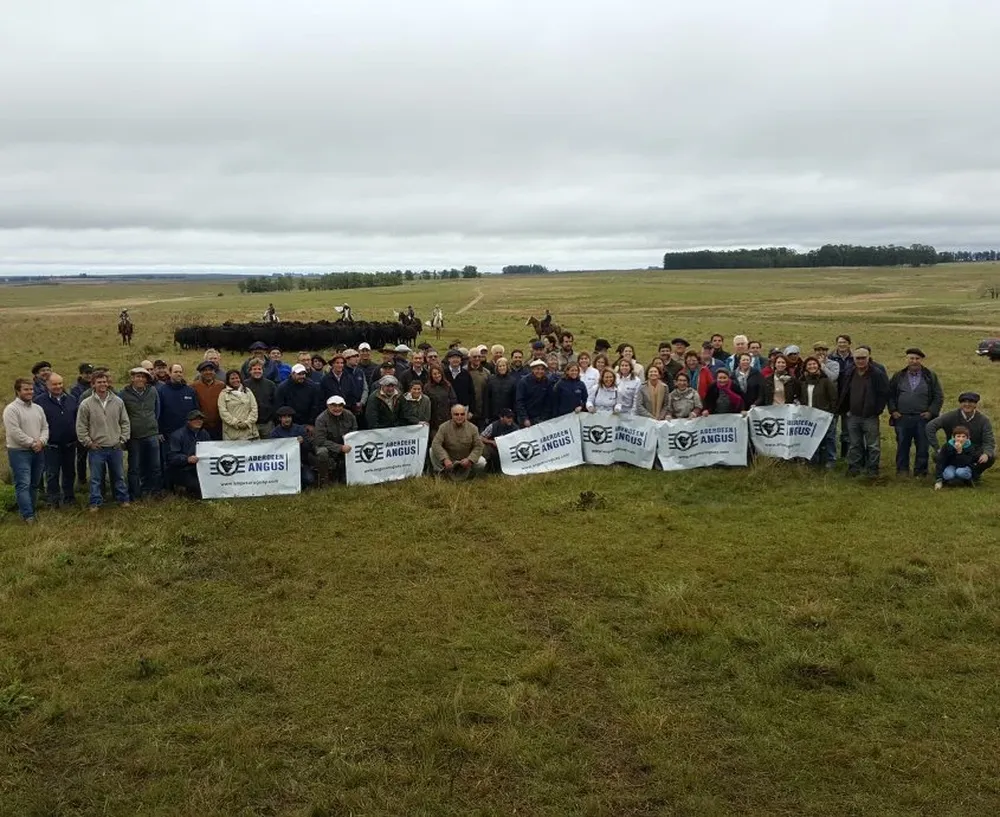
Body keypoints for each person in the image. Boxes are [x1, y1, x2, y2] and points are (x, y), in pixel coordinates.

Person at [76, 370, 131, 511]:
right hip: (97, 449)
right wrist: (89, 443)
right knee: (95, 479)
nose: (103, 384)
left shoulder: (118, 401)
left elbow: (125, 422)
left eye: (105, 381)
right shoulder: (86, 404)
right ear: (93, 384)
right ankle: (95, 502)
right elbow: (81, 426)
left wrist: (123, 439)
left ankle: (122, 499)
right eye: (99, 382)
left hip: (115, 447)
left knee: (118, 477)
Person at [887, 348, 944, 477]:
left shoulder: (930, 376)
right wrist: (893, 411)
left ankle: (921, 471)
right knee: (902, 445)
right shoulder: (898, 376)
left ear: (921, 360)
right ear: (906, 360)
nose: (914, 361)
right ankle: (902, 470)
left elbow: (938, 396)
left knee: (923, 445)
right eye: (911, 358)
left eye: (917, 359)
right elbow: (889, 394)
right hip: (902, 417)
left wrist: (931, 412)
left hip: (922, 418)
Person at [838, 347, 890, 478]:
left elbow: (884, 393)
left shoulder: (877, 374)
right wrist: (845, 409)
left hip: (870, 416)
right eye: (857, 358)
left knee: (873, 445)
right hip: (853, 415)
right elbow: (844, 391)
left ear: (869, 358)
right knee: (854, 443)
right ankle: (854, 467)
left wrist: (877, 410)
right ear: (853, 359)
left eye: (863, 358)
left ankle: (873, 469)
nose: (860, 361)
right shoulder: (849, 372)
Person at [4, 377, 48, 523]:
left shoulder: (38, 408)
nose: (30, 392)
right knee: (23, 483)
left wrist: (42, 441)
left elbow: (45, 427)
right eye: (26, 389)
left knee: (34, 484)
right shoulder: (11, 409)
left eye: (31, 389)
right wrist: (32, 443)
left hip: (38, 450)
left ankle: (31, 510)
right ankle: (27, 515)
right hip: (19, 452)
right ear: (18, 391)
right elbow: (14, 432)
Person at [926, 392, 995, 481]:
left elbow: (988, 440)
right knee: (937, 455)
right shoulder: (950, 416)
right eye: (964, 401)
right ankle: (947, 474)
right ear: (960, 404)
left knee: (990, 457)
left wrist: (986, 453)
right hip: (953, 451)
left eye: (971, 402)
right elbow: (930, 426)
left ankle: (974, 475)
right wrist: (937, 447)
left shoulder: (984, 420)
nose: (967, 404)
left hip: (973, 452)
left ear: (975, 404)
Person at [120, 365, 162, 500]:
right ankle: (135, 493)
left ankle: (154, 491)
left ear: (146, 379)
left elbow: (157, 410)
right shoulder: (124, 394)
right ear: (132, 378)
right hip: (134, 436)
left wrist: (152, 424)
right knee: (134, 468)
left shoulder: (153, 390)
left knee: (155, 466)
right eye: (137, 376)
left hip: (151, 434)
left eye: (143, 377)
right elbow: (122, 415)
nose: (140, 379)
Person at [37, 372, 78, 508]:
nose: (58, 386)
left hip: (70, 444)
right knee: (52, 474)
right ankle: (53, 500)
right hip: (51, 445)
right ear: (47, 385)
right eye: (54, 384)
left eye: (60, 383)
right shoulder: (39, 402)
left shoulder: (71, 399)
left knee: (69, 472)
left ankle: (69, 497)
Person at [157, 364, 199, 488]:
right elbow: (158, 412)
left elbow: (195, 411)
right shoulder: (161, 391)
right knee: (169, 461)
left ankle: (188, 486)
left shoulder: (190, 391)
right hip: (168, 434)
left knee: (186, 460)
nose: (178, 374)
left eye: (180, 372)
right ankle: (168, 488)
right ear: (169, 373)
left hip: (186, 434)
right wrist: (159, 431)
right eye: (175, 371)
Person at [796, 356, 839, 466]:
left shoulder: (825, 381)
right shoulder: (803, 382)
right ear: (805, 367)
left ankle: (830, 460)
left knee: (828, 438)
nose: (812, 366)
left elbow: (834, 398)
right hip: (809, 416)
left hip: (824, 415)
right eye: (809, 364)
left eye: (814, 364)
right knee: (811, 439)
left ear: (819, 366)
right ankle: (813, 460)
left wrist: (831, 413)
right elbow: (800, 398)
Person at [430, 404, 487, 478]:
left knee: (482, 462)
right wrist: (445, 459)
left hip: (466, 458)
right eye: (456, 414)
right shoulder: (443, 427)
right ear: (452, 415)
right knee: (431, 450)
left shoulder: (473, 428)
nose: (459, 417)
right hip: (449, 458)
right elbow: (436, 444)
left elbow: (479, 446)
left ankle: (471, 476)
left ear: (465, 415)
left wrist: (470, 459)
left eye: (462, 414)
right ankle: (440, 473)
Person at [312, 396, 357, 485]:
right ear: (328, 406)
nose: (337, 408)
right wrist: (340, 448)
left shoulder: (350, 415)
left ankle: (349, 475)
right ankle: (324, 479)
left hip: (344, 445)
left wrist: (347, 443)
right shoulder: (321, 419)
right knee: (322, 452)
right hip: (326, 446)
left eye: (340, 405)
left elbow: (354, 431)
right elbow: (320, 440)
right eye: (334, 406)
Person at [167, 410, 210, 498]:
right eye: (196, 419)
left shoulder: (205, 434)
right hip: (183, 469)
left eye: (201, 419)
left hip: (201, 469)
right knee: (198, 487)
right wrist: (187, 459)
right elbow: (171, 457)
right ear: (188, 421)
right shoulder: (177, 435)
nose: (199, 421)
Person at [270, 406, 315, 487]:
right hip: (282, 464)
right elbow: (273, 450)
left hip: (300, 462)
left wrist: (303, 442)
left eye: (289, 417)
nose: (287, 419)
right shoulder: (275, 433)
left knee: (309, 479)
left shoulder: (300, 429)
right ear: (280, 418)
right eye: (284, 417)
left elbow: (309, 448)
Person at [829, 334, 855, 459]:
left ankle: (845, 456)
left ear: (849, 344)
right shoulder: (831, 357)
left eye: (844, 342)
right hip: (833, 398)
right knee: (831, 429)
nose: (842, 345)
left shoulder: (854, 358)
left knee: (847, 430)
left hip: (848, 399)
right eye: (839, 342)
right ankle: (831, 455)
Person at [275, 363, 323, 430]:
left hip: (307, 423)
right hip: (289, 424)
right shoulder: (283, 388)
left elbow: (315, 405)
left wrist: (311, 423)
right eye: (299, 374)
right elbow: (279, 406)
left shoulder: (312, 386)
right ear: (292, 374)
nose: (302, 376)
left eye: (303, 374)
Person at [218, 369, 259, 440]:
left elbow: (254, 408)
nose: (235, 380)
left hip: (249, 431)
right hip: (232, 433)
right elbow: (223, 412)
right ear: (228, 380)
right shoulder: (223, 394)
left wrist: (247, 422)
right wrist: (236, 423)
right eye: (232, 379)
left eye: (237, 378)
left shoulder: (248, 391)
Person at [515, 359, 555, 427]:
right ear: (532, 370)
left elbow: (549, 402)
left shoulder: (547, 382)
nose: (540, 371)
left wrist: (543, 418)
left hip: (540, 418)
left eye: (542, 369)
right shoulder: (523, 382)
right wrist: (525, 418)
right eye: (537, 369)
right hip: (526, 417)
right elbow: (519, 401)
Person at [192, 361, 226, 440]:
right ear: (200, 373)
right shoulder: (194, 386)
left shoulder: (221, 385)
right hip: (202, 427)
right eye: (205, 370)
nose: (208, 372)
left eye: (211, 370)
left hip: (219, 426)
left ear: (214, 372)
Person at [244, 359, 277, 438]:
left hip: (267, 424)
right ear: (250, 371)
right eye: (254, 369)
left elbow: (275, 402)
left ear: (263, 370)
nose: (257, 371)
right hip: (250, 424)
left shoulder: (271, 384)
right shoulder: (244, 384)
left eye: (259, 369)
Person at [425, 363, 457, 438]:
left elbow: (454, 400)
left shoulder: (448, 385)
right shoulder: (427, 387)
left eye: (439, 373)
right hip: (433, 421)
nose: (437, 375)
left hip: (447, 419)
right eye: (434, 374)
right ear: (431, 375)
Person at [444, 349, 477, 416]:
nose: (455, 360)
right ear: (448, 359)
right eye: (453, 358)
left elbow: (471, 393)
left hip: (463, 408)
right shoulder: (444, 373)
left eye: (458, 358)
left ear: (461, 360)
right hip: (447, 408)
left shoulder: (466, 373)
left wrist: (471, 411)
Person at [485, 357, 517, 423]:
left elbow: (515, 400)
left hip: (507, 415)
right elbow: (487, 398)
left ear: (507, 367)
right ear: (497, 368)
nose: (502, 368)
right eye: (500, 366)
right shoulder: (491, 379)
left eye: (503, 366)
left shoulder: (513, 380)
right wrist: (486, 415)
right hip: (493, 415)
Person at [466, 350, 491, 428]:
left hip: (482, 413)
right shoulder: (464, 371)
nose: (477, 359)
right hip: (468, 413)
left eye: (479, 357)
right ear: (469, 358)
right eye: (474, 357)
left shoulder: (487, 373)